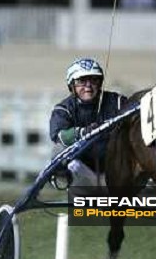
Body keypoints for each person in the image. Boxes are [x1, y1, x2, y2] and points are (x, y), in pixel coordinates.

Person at [49, 58, 126, 188]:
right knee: (59, 149)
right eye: (82, 81)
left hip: (115, 165)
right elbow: (58, 135)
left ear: (100, 83)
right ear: (72, 85)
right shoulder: (63, 109)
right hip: (82, 169)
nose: (88, 85)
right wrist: (83, 132)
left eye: (93, 80)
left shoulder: (117, 101)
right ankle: (64, 181)